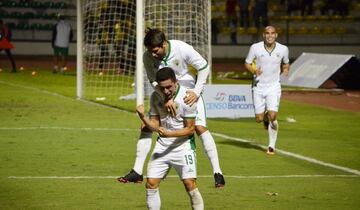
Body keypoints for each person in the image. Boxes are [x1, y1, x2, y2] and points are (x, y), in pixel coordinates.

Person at [118, 28, 225, 188]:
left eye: (155, 50)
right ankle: (137, 172)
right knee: (145, 126)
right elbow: (153, 81)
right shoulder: (147, 57)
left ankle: (218, 173)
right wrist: (165, 97)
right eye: (149, 51)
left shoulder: (181, 48)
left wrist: (196, 92)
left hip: (189, 94)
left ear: (164, 44)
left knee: (200, 127)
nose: (152, 54)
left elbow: (203, 67)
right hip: (164, 94)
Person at [137, 67, 204, 210]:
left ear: (176, 82)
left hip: (183, 147)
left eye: (169, 87)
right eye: (163, 88)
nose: (166, 91)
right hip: (162, 146)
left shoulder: (188, 98)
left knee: (189, 184)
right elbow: (155, 125)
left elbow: (190, 130)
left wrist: (169, 134)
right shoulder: (156, 96)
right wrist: (143, 117)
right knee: (151, 184)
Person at [244, 26, 290, 155]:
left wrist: (286, 69)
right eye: (267, 33)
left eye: (272, 33)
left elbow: (286, 63)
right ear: (263, 35)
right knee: (258, 118)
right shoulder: (255, 48)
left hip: (274, 86)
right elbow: (247, 63)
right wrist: (254, 70)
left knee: (273, 116)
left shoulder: (283, 49)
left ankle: (271, 146)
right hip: (258, 86)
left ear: (276, 35)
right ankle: (264, 118)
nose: (270, 35)